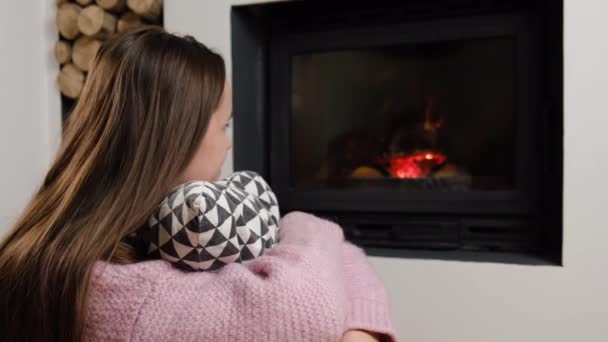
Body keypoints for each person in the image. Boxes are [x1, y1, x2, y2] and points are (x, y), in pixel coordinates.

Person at [0, 27, 397, 342]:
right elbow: (302, 308)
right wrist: (304, 223)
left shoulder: (67, 246)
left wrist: (360, 330)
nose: (227, 144)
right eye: (223, 126)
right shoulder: (113, 291)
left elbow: (347, 261)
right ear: (175, 136)